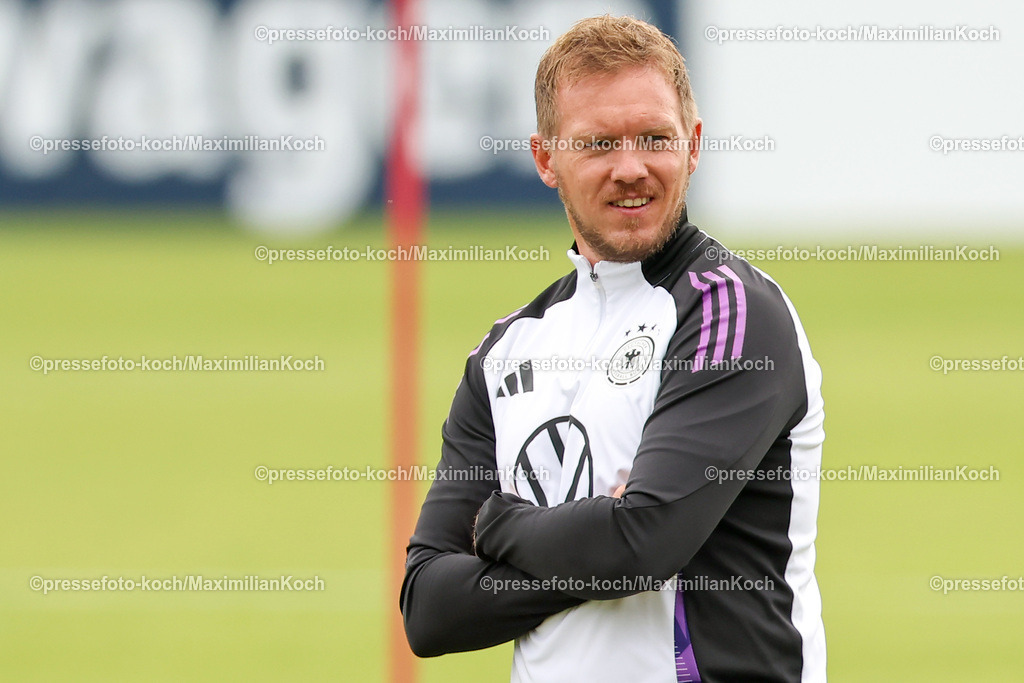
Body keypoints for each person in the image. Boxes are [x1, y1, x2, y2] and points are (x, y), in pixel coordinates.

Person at [400, 14, 826, 683]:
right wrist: (596, 537)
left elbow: (642, 544)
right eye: (599, 143)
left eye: (654, 138)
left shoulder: (730, 312)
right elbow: (429, 609)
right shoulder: (505, 351)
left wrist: (502, 524)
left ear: (693, 144)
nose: (632, 169)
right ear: (546, 159)